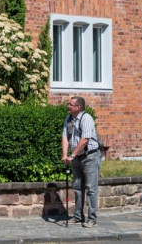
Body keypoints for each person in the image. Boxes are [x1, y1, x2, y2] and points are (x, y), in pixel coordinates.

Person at [61, 96, 101, 228]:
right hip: (76, 158)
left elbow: (85, 139)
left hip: (89, 156)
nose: (68, 106)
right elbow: (65, 137)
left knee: (91, 188)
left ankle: (92, 219)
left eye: (70, 104)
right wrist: (65, 155)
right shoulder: (69, 119)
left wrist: (72, 155)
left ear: (78, 107)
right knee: (77, 187)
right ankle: (78, 216)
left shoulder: (86, 118)